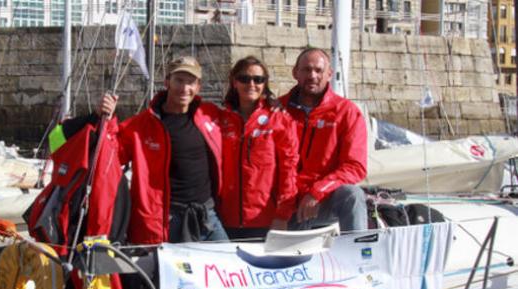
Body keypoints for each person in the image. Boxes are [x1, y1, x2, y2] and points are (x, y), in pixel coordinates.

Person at [90, 56, 227, 244]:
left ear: (198, 87)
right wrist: (106, 118)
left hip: (206, 216)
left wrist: (272, 103)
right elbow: (110, 154)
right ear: (167, 81)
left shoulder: (208, 116)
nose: (184, 88)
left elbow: (242, 118)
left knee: (231, 265)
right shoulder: (142, 125)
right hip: (166, 221)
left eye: (191, 82)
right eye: (179, 80)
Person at [280, 48, 368, 234]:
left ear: (329, 74)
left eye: (318, 71)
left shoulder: (346, 112)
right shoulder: (278, 110)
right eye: (306, 70)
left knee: (352, 195)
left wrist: (316, 192)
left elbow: (354, 166)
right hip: (283, 202)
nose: (312, 75)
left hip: (322, 201)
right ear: (295, 73)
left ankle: (357, 255)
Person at [217, 56, 298, 240]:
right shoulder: (220, 118)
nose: (251, 84)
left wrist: (282, 215)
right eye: (244, 79)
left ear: (265, 83)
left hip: (265, 220)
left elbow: (289, 169)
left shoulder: (279, 119)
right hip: (225, 219)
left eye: (258, 79)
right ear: (234, 82)